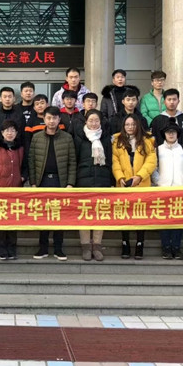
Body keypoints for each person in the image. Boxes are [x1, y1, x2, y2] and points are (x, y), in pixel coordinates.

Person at [29, 106, 76, 261]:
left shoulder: (67, 138)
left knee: (59, 215)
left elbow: (72, 162)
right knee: (42, 215)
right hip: (42, 182)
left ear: (59, 120)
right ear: (44, 119)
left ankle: (58, 248)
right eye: (48, 118)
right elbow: (31, 161)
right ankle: (42, 248)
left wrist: (70, 183)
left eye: (54, 118)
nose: (51, 121)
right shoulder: (36, 137)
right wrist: (33, 183)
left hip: (60, 181)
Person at [112, 114, 157, 260]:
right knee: (124, 214)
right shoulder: (117, 141)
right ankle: (125, 242)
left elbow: (151, 162)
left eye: (133, 124)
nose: (130, 127)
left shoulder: (147, 141)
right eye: (127, 124)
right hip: (124, 184)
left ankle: (139, 243)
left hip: (141, 183)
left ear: (137, 125)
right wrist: (120, 177)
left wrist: (139, 176)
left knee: (140, 214)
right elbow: (115, 162)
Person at [73, 110, 114, 261]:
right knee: (84, 214)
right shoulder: (80, 138)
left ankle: (96, 246)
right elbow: (74, 159)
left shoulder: (105, 138)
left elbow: (110, 160)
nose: (94, 123)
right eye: (91, 120)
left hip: (102, 180)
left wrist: (111, 182)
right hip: (83, 180)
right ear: (86, 122)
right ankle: (85, 246)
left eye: (96, 120)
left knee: (100, 214)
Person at [151, 119, 183, 260]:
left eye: (173, 132)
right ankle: (166, 247)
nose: (171, 134)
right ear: (164, 134)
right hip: (163, 189)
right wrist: (158, 181)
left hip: (180, 189)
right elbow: (153, 168)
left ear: (177, 134)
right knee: (164, 220)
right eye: (168, 132)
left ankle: (176, 247)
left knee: (178, 220)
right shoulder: (158, 150)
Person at [0, 119, 27, 260]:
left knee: (13, 220)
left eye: (12, 130)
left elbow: (25, 166)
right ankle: (1, 249)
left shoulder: (20, 149)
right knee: (0, 220)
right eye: (7, 130)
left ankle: (11, 248)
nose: (10, 133)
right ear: (2, 133)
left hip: (15, 191)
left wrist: (23, 177)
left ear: (16, 133)